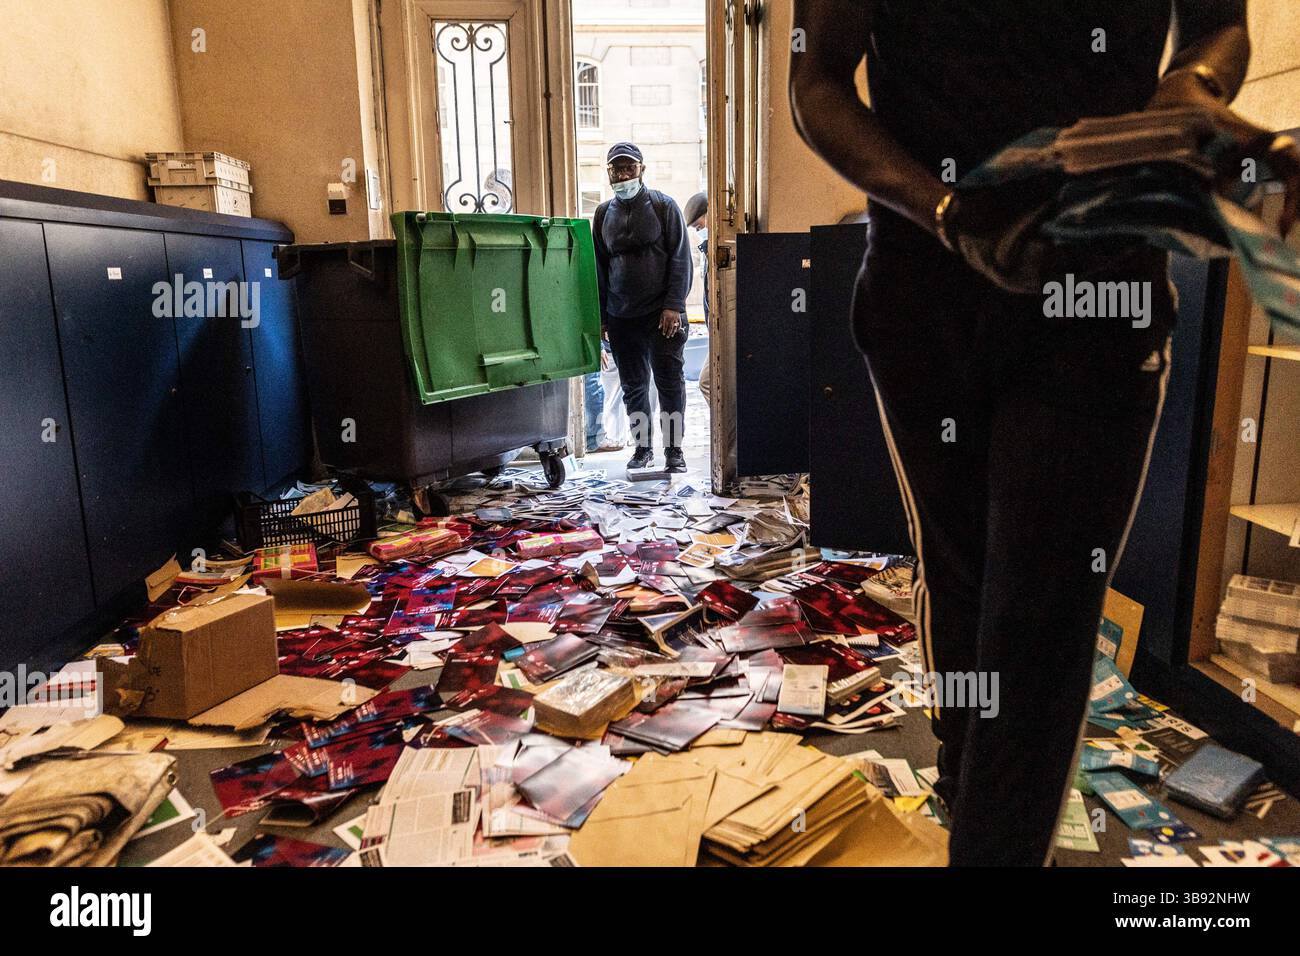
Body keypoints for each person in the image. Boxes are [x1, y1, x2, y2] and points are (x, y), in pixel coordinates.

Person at [791, 0, 1299, 866]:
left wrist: (1192, 91)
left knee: (1041, 620)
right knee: (963, 580)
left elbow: (1218, 21)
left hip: (1098, 293)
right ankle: (966, 782)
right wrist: (947, 212)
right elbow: (817, 81)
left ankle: (993, 839)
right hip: (926, 297)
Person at [593, 142, 694, 473]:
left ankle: (674, 451)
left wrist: (674, 306)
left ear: (641, 170)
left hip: (662, 316)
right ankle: (642, 448)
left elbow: (681, 258)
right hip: (622, 318)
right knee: (633, 388)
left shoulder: (664, 206)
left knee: (669, 382)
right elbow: (599, 266)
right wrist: (603, 317)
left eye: (629, 168)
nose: (623, 175)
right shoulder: (602, 213)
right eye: (616, 169)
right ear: (609, 173)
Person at [683, 191, 711, 401]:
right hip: (717, 333)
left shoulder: (718, 246)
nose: (697, 229)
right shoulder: (708, 249)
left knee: (707, 383)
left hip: (727, 333)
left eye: (698, 224)